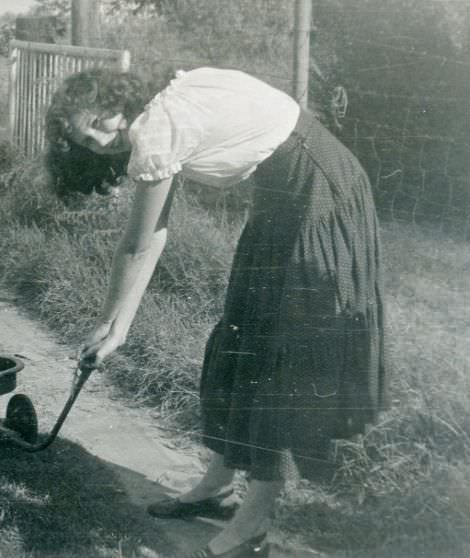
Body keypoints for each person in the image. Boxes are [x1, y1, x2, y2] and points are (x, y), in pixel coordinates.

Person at [46, 67, 387, 558]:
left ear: (118, 102)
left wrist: (111, 325)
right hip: (282, 196)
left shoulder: (156, 126)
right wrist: (115, 325)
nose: (103, 139)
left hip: (319, 195)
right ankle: (218, 485)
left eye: (101, 121)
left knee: (281, 362)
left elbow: (138, 243)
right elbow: (154, 236)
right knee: (241, 333)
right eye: (88, 138)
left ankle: (253, 524)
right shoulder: (161, 110)